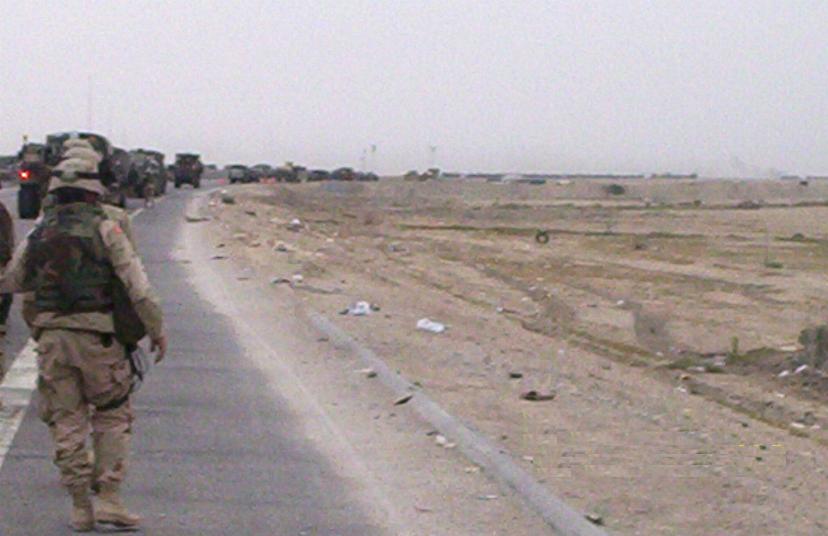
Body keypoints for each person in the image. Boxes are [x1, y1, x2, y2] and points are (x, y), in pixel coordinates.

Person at [0, 149, 166, 532]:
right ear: (95, 190)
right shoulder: (108, 227)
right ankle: (108, 498)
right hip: (99, 339)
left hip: (53, 340)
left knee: (66, 421)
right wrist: (155, 330)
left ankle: (79, 506)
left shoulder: (43, 229)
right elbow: (138, 287)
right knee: (111, 414)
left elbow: (13, 280)